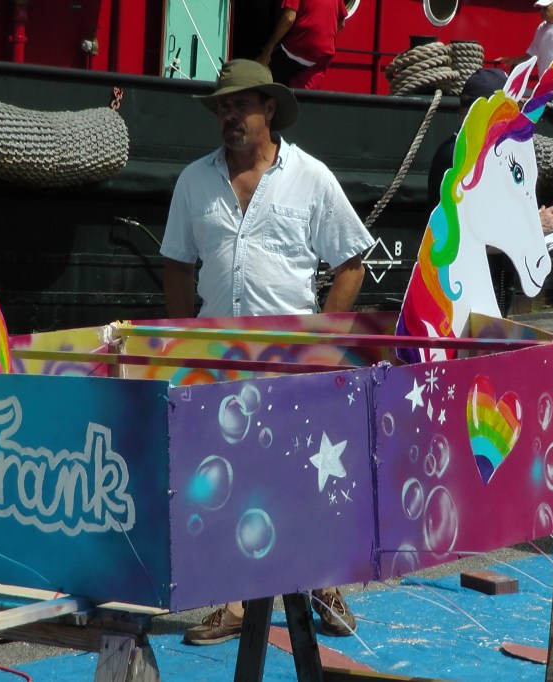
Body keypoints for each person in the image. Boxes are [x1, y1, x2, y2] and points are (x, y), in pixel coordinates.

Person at [161, 59, 372, 643]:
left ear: (269, 109)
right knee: (227, 479)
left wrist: (323, 342)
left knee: (304, 475)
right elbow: (176, 264)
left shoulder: (311, 177)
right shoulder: (194, 181)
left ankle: (323, 586)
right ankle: (232, 604)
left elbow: (350, 262)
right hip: (218, 358)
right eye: (222, 107)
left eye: (240, 105)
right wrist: (185, 340)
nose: (228, 115)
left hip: (291, 358)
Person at [426, 67, 553, 315]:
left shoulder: (478, 155)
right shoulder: (458, 160)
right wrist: (531, 227)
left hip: (487, 291)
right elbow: (462, 240)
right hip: (462, 299)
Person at [255, 0, 349, 90]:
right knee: (302, 94)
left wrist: (268, 48)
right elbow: (341, 24)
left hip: (299, 47)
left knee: (259, 73)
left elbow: (289, 18)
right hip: (323, 55)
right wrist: (322, 37)